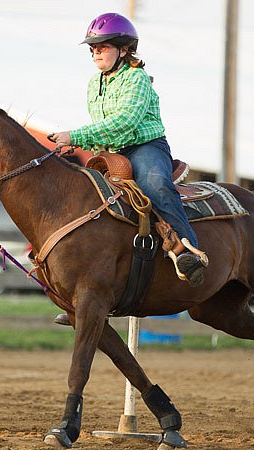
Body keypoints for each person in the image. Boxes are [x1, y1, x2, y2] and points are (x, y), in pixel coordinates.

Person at [48, 12, 206, 287]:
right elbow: (102, 127)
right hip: (112, 153)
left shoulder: (137, 78)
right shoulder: (93, 83)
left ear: (123, 49)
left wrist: (73, 136)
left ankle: (187, 251)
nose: (96, 53)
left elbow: (123, 123)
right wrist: (81, 143)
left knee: (155, 185)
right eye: (93, 48)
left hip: (145, 147)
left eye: (103, 47)